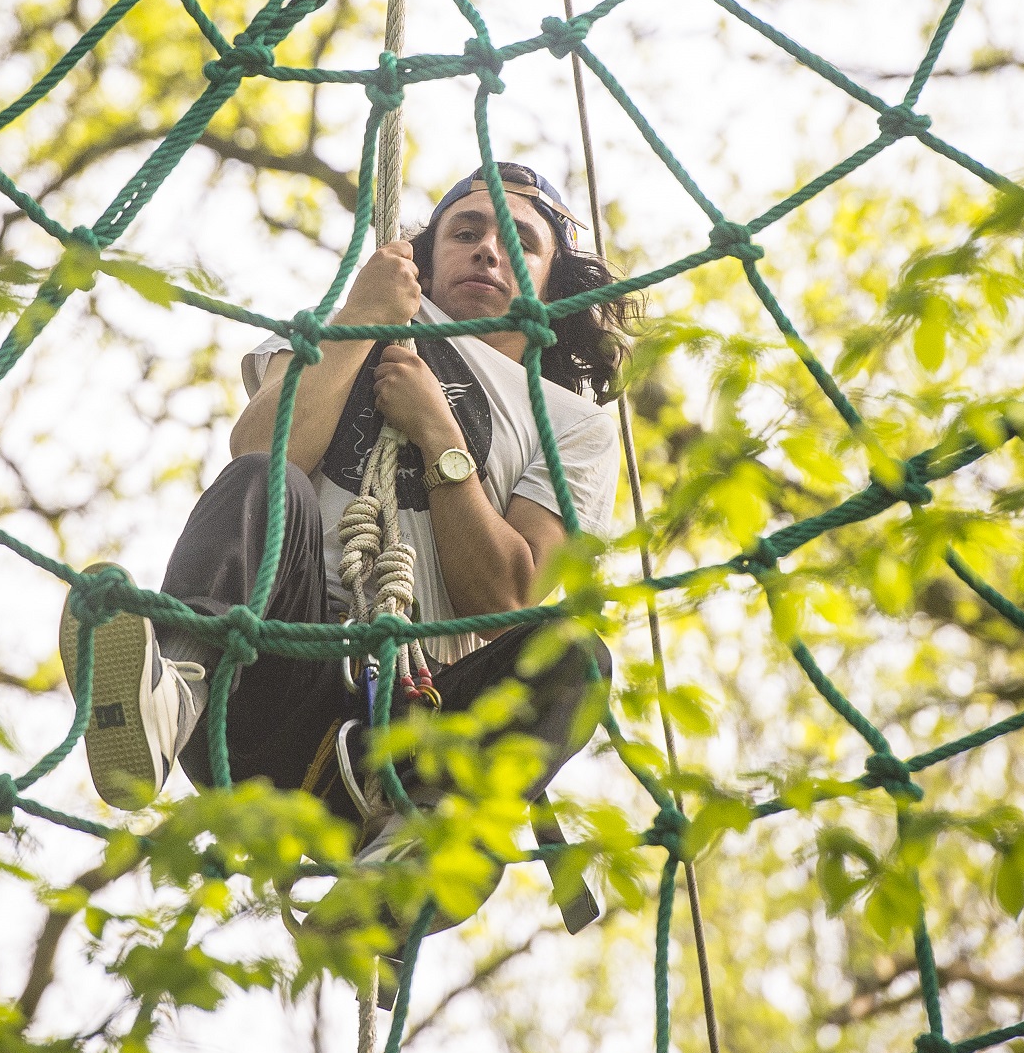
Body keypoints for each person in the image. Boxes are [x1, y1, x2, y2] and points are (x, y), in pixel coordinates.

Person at [62, 161, 632, 845]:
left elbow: (509, 597)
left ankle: (420, 845)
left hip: (419, 727)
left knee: (574, 656)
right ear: (427, 255)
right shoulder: (342, 331)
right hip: (269, 685)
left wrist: (438, 433)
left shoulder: (570, 424)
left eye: (521, 242)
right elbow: (265, 447)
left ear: (551, 284)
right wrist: (362, 317)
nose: (488, 248)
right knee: (264, 481)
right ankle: (177, 689)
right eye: (466, 231)